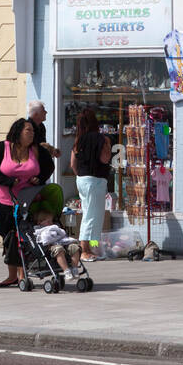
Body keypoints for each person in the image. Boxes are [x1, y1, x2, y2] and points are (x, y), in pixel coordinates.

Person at [0, 118, 54, 287]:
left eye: (33, 131)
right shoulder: (2, 148)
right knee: (8, 238)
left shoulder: (36, 150)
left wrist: (39, 178)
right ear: (18, 132)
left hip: (28, 201)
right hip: (3, 201)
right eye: (28, 130)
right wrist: (8, 181)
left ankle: (22, 274)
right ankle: (12, 275)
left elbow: (49, 167)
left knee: (23, 237)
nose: (32, 134)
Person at [70, 108, 112, 262]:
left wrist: (81, 175)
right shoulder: (102, 139)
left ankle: (93, 246)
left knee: (92, 214)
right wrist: (108, 147)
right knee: (92, 216)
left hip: (82, 179)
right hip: (96, 180)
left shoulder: (78, 141)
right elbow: (105, 159)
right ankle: (84, 250)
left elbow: (72, 164)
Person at [32, 206, 84, 279]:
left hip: (63, 243)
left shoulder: (55, 227)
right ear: (39, 222)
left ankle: (74, 268)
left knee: (75, 247)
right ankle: (66, 270)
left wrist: (59, 234)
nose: (51, 223)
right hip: (50, 247)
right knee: (59, 249)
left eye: (51, 221)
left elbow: (62, 234)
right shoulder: (39, 231)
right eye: (48, 222)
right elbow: (46, 239)